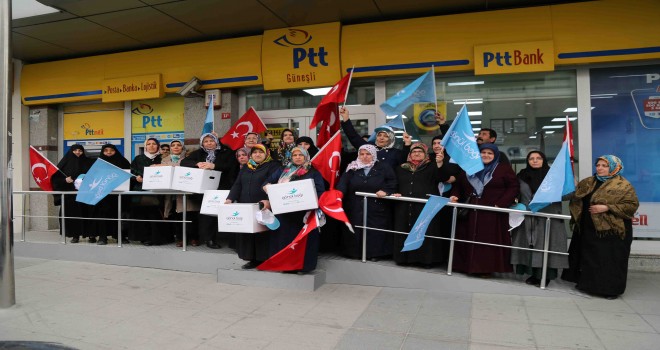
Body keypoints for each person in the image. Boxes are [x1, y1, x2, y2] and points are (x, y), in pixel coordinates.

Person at [561, 155, 639, 299]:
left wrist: (607, 207)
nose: (600, 168)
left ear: (615, 167)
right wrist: (571, 185)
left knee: (610, 261)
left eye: (604, 165)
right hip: (588, 227)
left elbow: (631, 206)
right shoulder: (589, 182)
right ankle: (587, 285)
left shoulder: (623, 185)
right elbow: (575, 195)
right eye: (598, 165)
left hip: (612, 231)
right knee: (590, 258)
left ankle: (611, 290)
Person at [449, 143, 519, 276]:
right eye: (483, 152)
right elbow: (458, 184)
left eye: (490, 153)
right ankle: (466, 266)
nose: (486, 155)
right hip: (470, 211)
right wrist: (455, 195)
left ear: (495, 155)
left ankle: (485, 269)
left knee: (488, 241)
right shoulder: (469, 167)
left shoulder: (503, 169)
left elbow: (513, 187)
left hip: (492, 212)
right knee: (467, 238)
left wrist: (501, 204)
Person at [510, 151, 569, 286]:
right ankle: (533, 273)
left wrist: (553, 194)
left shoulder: (554, 176)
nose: (535, 161)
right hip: (528, 217)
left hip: (548, 217)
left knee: (546, 245)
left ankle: (545, 276)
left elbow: (568, 194)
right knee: (530, 246)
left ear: (544, 160)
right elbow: (517, 192)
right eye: (531, 158)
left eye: (538, 158)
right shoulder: (521, 176)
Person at [263, 147, 325, 273]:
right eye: (294, 155)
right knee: (285, 240)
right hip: (284, 213)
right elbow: (267, 183)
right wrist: (269, 189)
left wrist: (309, 201)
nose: (297, 157)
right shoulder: (283, 170)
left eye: (300, 155)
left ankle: (303, 267)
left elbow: (320, 192)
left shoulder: (312, 172)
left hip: (304, 214)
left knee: (303, 242)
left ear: (305, 156)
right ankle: (286, 266)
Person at [336, 144, 397, 260]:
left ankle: (375, 254)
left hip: (376, 205)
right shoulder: (352, 167)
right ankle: (354, 253)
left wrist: (386, 191)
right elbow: (343, 184)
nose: (365, 157)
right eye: (362, 154)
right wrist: (339, 195)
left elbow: (392, 182)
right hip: (354, 205)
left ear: (373, 154)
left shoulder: (383, 167)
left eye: (368, 154)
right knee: (355, 229)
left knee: (374, 231)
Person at [392, 141, 447, 267]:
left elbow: (443, 177)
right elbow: (394, 183)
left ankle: (426, 260)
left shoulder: (432, 166)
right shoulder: (401, 168)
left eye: (420, 151)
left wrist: (440, 163)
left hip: (426, 206)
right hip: (404, 207)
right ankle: (404, 259)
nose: (417, 153)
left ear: (425, 154)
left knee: (425, 231)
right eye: (414, 152)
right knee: (405, 230)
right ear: (410, 154)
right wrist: (395, 192)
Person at [181, 133, 239, 249]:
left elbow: (232, 166)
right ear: (202, 143)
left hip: (223, 187)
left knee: (226, 214)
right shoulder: (198, 153)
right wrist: (197, 164)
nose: (209, 143)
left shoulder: (226, 152)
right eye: (206, 141)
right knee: (208, 216)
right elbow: (184, 163)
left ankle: (232, 241)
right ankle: (209, 239)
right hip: (204, 190)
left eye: (211, 141)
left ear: (216, 142)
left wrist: (214, 166)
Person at [226, 144, 280, 269]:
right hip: (246, 205)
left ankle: (265, 259)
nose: (257, 154)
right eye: (255, 152)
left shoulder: (273, 166)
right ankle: (253, 259)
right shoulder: (246, 167)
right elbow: (237, 184)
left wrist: (268, 201)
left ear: (266, 154)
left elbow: (274, 185)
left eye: (260, 152)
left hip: (263, 205)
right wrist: (229, 199)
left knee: (263, 233)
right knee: (249, 233)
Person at [161, 140, 200, 247]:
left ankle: (194, 238)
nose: (176, 147)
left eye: (178, 145)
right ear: (170, 148)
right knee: (177, 216)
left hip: (186, 191)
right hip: (172, 194)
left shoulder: (189, 158)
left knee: (191, 216)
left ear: (183, 148)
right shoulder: (164, 160)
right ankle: (180, 238)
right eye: (173, 145)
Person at [51, 144, 94, 243]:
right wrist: (65, 180)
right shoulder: (64, 163)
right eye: (75, 150)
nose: (78, 152)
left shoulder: (88, 162)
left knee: (88, 214)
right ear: (71, 151)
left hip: (86, 194)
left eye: (80, 150)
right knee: (73, 216)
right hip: (71, 196)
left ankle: (91, 235)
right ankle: (75, 235)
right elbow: (55, 178)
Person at [339, 107, 405, 168]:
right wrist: (346, 118)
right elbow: (353, 136)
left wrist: (407, 145)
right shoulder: (368, 147)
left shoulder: (396, 153)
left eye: (386, 136)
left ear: (391, 139)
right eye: (379, 135)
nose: (381, 138)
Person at [91, 144, 130, 245]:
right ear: (102, 152)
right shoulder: (98, 163)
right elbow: (92, 178)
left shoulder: (123, 161)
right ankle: (102, 237)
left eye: (111, 150)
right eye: (106, 150)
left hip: (119, 195)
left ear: (115, 151)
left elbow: (129, 176)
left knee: (119, 215)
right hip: (102, 195)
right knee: (102, 216)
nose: (108, 152)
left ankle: (120, 237)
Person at [130, 138, 167, 246]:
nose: (151, 146)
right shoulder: (138, 158)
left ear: (158, 146)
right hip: (141, 192)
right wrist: (136, 178)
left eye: (154, 144)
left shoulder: (162, 159)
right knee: (142, 215)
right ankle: (144, 238)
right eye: (149, 144)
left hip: (157, 191)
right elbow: (132, 172)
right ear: (145, 146)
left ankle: (157, 238)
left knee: (155, 215)